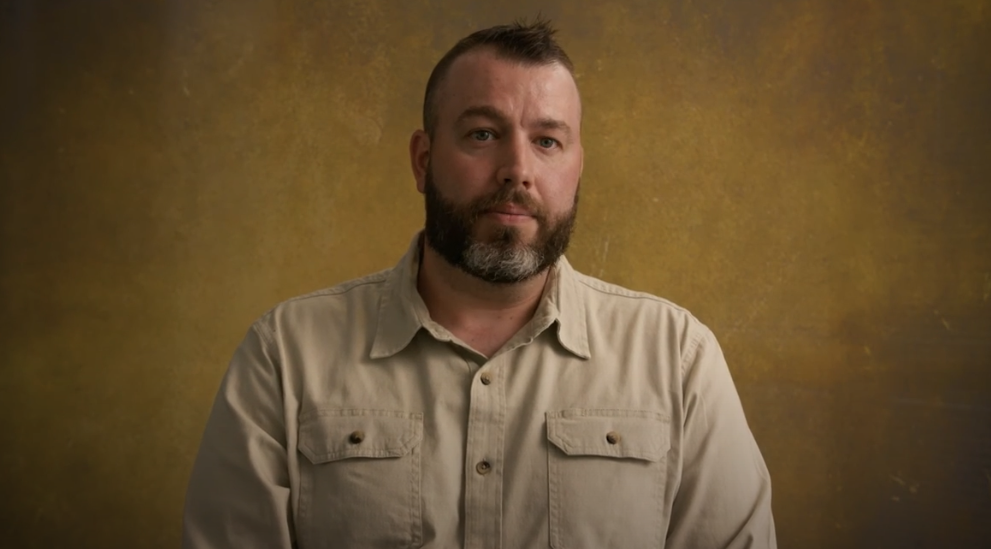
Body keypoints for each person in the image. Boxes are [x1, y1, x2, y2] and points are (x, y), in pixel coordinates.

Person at [182, 18, 776, 549]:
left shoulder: (677, 358)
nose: (518, 168)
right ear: (423, 160)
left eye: (547, 140)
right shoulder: (285, 354)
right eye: (483, 135)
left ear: (576, 168)